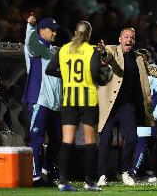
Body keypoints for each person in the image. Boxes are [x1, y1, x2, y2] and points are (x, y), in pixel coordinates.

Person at [96, 27, 157, 186]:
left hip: (127, 106)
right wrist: (102, 53)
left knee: (132, 139)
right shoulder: (111, 50)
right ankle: (102, 175)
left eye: (132, 38)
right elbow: (105, 57)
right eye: (126, 37)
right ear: (120, 39)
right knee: (105, 141)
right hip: (110, 106)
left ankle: (125, 171)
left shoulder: (139, 57)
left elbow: (153, 70)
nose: (129, 40)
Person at [46, 21, 105, 192]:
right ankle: (89, 182)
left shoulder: (64, 49)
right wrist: (103, 79)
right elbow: (95, 74)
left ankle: (63, 181)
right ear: (89, 34)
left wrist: (65, 76)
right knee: (90, 142)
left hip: (69, 99)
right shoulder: (91, 50)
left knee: (66, 141)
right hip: (88, 99)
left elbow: (49, 69)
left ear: (75, 32)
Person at [22, 14, 62, 186]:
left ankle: (46, 171)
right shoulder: (35, 47)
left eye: (56, 30)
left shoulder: (54, 51)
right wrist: (30, 27)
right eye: (52, 30)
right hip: (39, 101)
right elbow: (29, 44)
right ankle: (35, 175)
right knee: (37, 139)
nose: (55, 33)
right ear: (42, 31)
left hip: (55, 105)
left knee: (58, 139)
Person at [129, 49, 157, 182]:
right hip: (138, 112)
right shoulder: (134, 71)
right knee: (141, 142)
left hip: (149, 115)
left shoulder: (154, 73)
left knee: (142, 140)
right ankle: (149, 172)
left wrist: (156, 114)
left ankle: (132, 171)